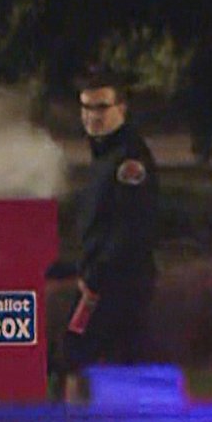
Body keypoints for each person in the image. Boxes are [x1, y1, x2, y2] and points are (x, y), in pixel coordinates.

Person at [63, 70, 160, 399]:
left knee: (81, 362)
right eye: (86, 108)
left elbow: (129, 229)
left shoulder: (129, 160)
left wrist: (94, 279)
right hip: (103, 281)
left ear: (122, 107)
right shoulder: (106, 155)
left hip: (116, 285)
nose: (92, 117)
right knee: (86, 363)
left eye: (101, 107)